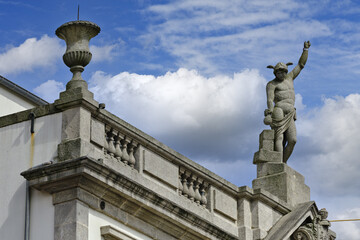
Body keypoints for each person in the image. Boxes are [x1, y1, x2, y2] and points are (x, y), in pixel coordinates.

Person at [264, 41, 311, 163]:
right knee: (279, 137)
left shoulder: (290, 78)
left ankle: (282, 163)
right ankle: (278, 163)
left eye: (283, 71)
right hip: (278, 109)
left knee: (292, 140)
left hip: (290, 111)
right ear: (275, 73)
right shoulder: (271, 84)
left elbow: (301, 65)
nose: (281, 74)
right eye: (278, 72)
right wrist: (269, 111)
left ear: (286, 71)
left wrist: (305, 50)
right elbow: (270, 99)